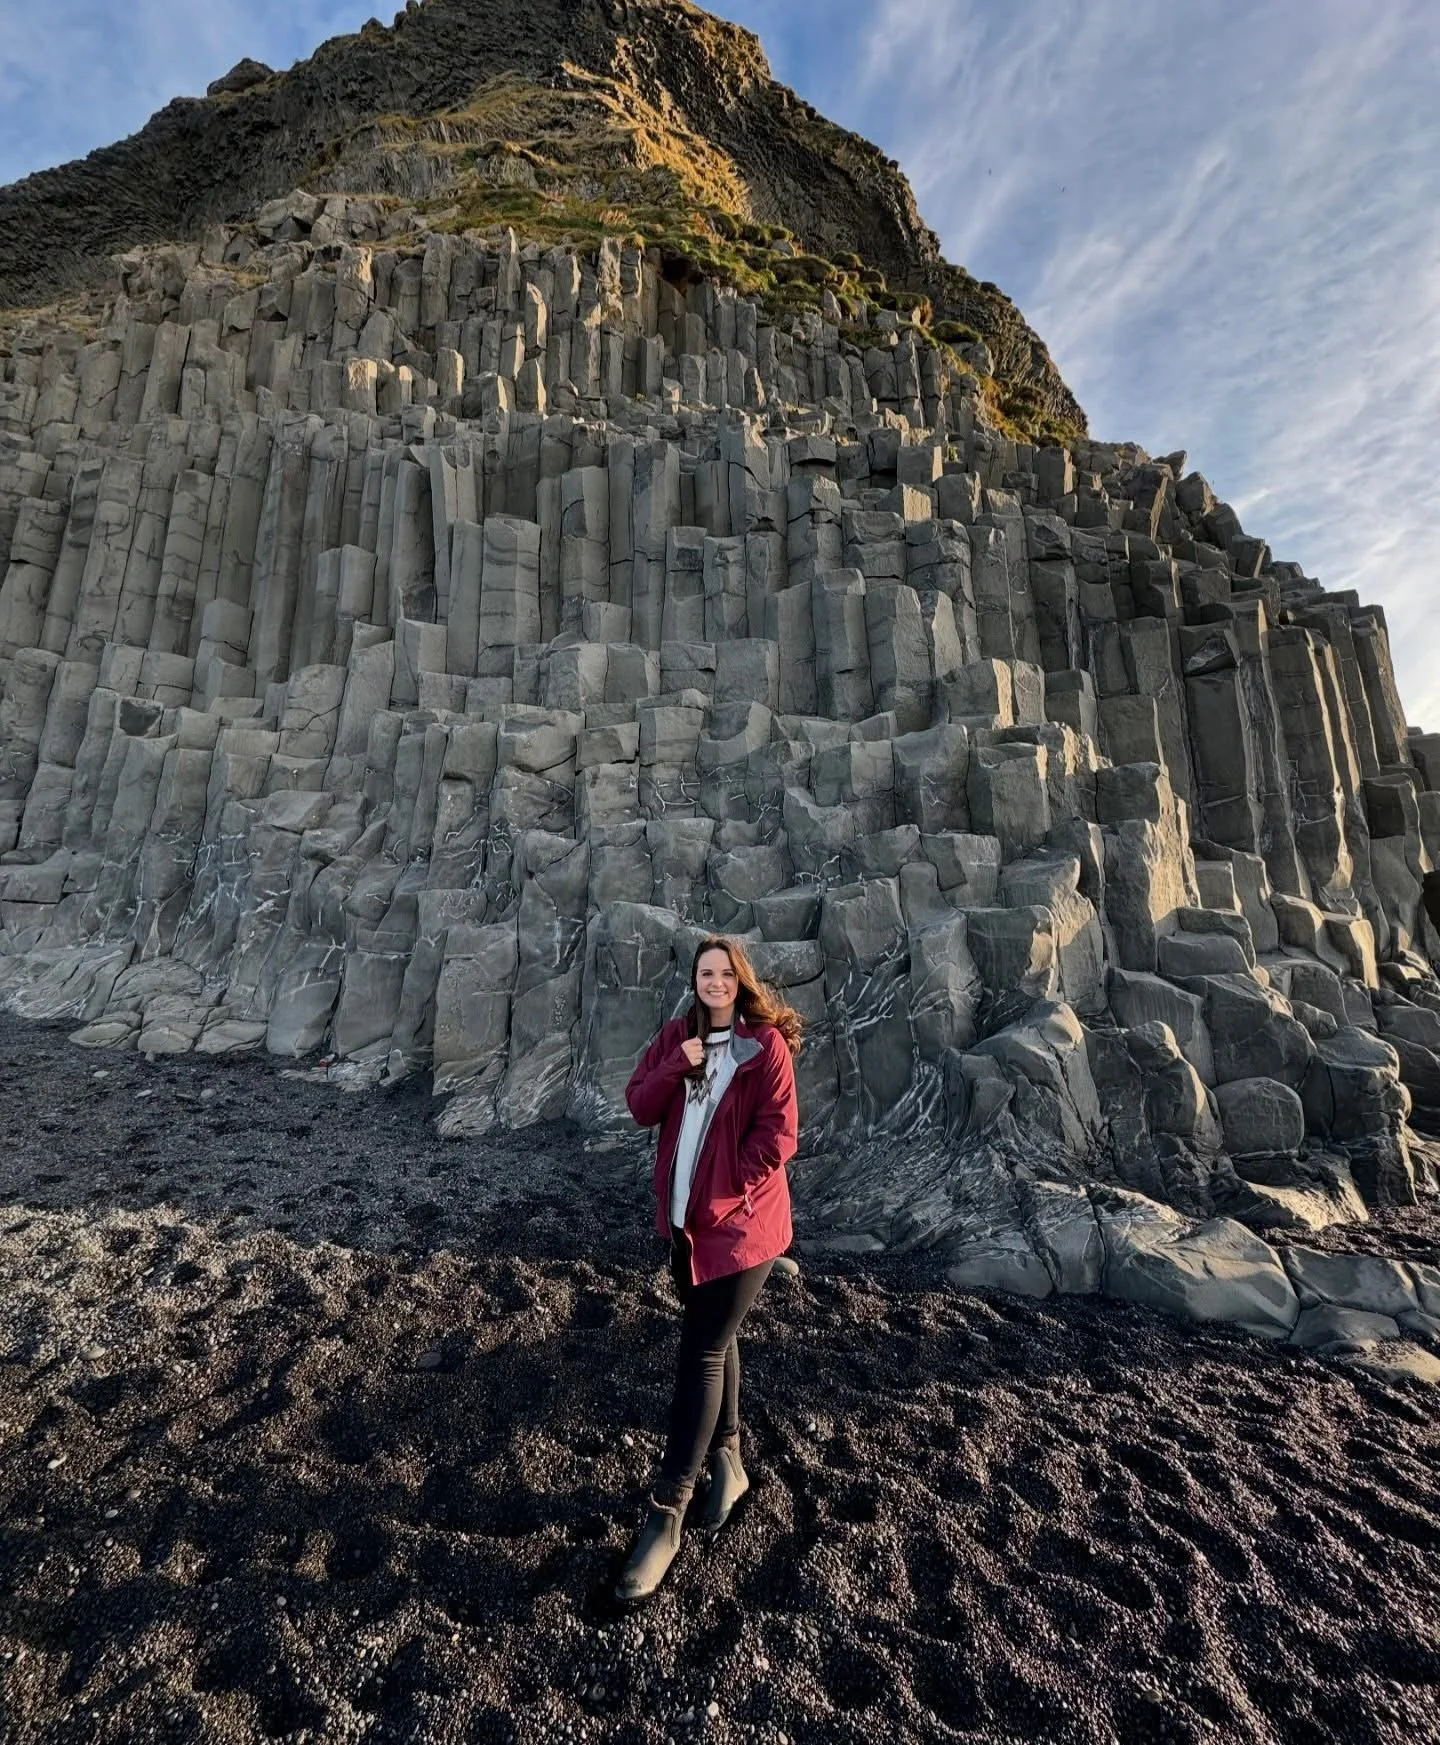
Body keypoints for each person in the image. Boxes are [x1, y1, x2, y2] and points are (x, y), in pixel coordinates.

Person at [616, 935, 803, 1603]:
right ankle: (730, 1461)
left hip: (740, 1232)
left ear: (740, 979)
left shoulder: (764, 1048)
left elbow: (779, 1137)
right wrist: (678, 1064)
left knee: (700, 1350)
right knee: (719, 1340)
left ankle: (667, 1513)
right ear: (696, 981)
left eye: (726, 973)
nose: (715, 982)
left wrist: (721, 1194)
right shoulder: (678, 1036)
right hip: (685, 1230)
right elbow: (639, 1103)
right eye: (705, 973)